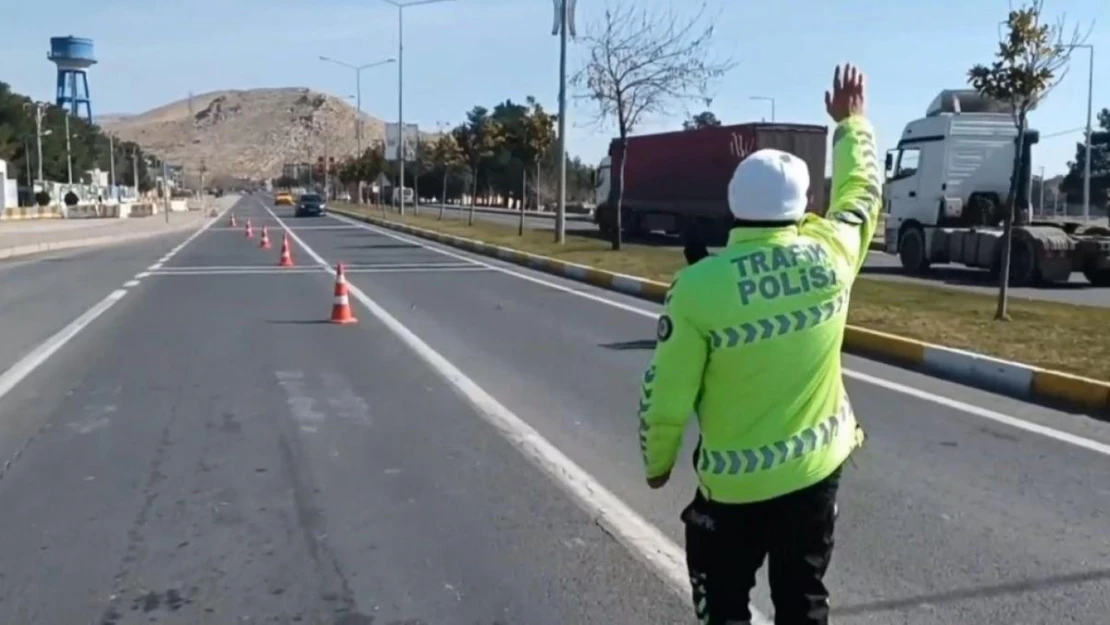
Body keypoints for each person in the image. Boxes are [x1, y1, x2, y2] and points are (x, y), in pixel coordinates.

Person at [637, 64, 878, 625]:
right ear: (802, 206)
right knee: (803, 600)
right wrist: (852, 125)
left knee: (723, 605)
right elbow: (861, 195)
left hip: (733, 489)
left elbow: (666, 391)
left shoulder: (697, 290)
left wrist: (657, 462)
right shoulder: (832, 256)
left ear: (733, 204)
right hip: (817, 472)